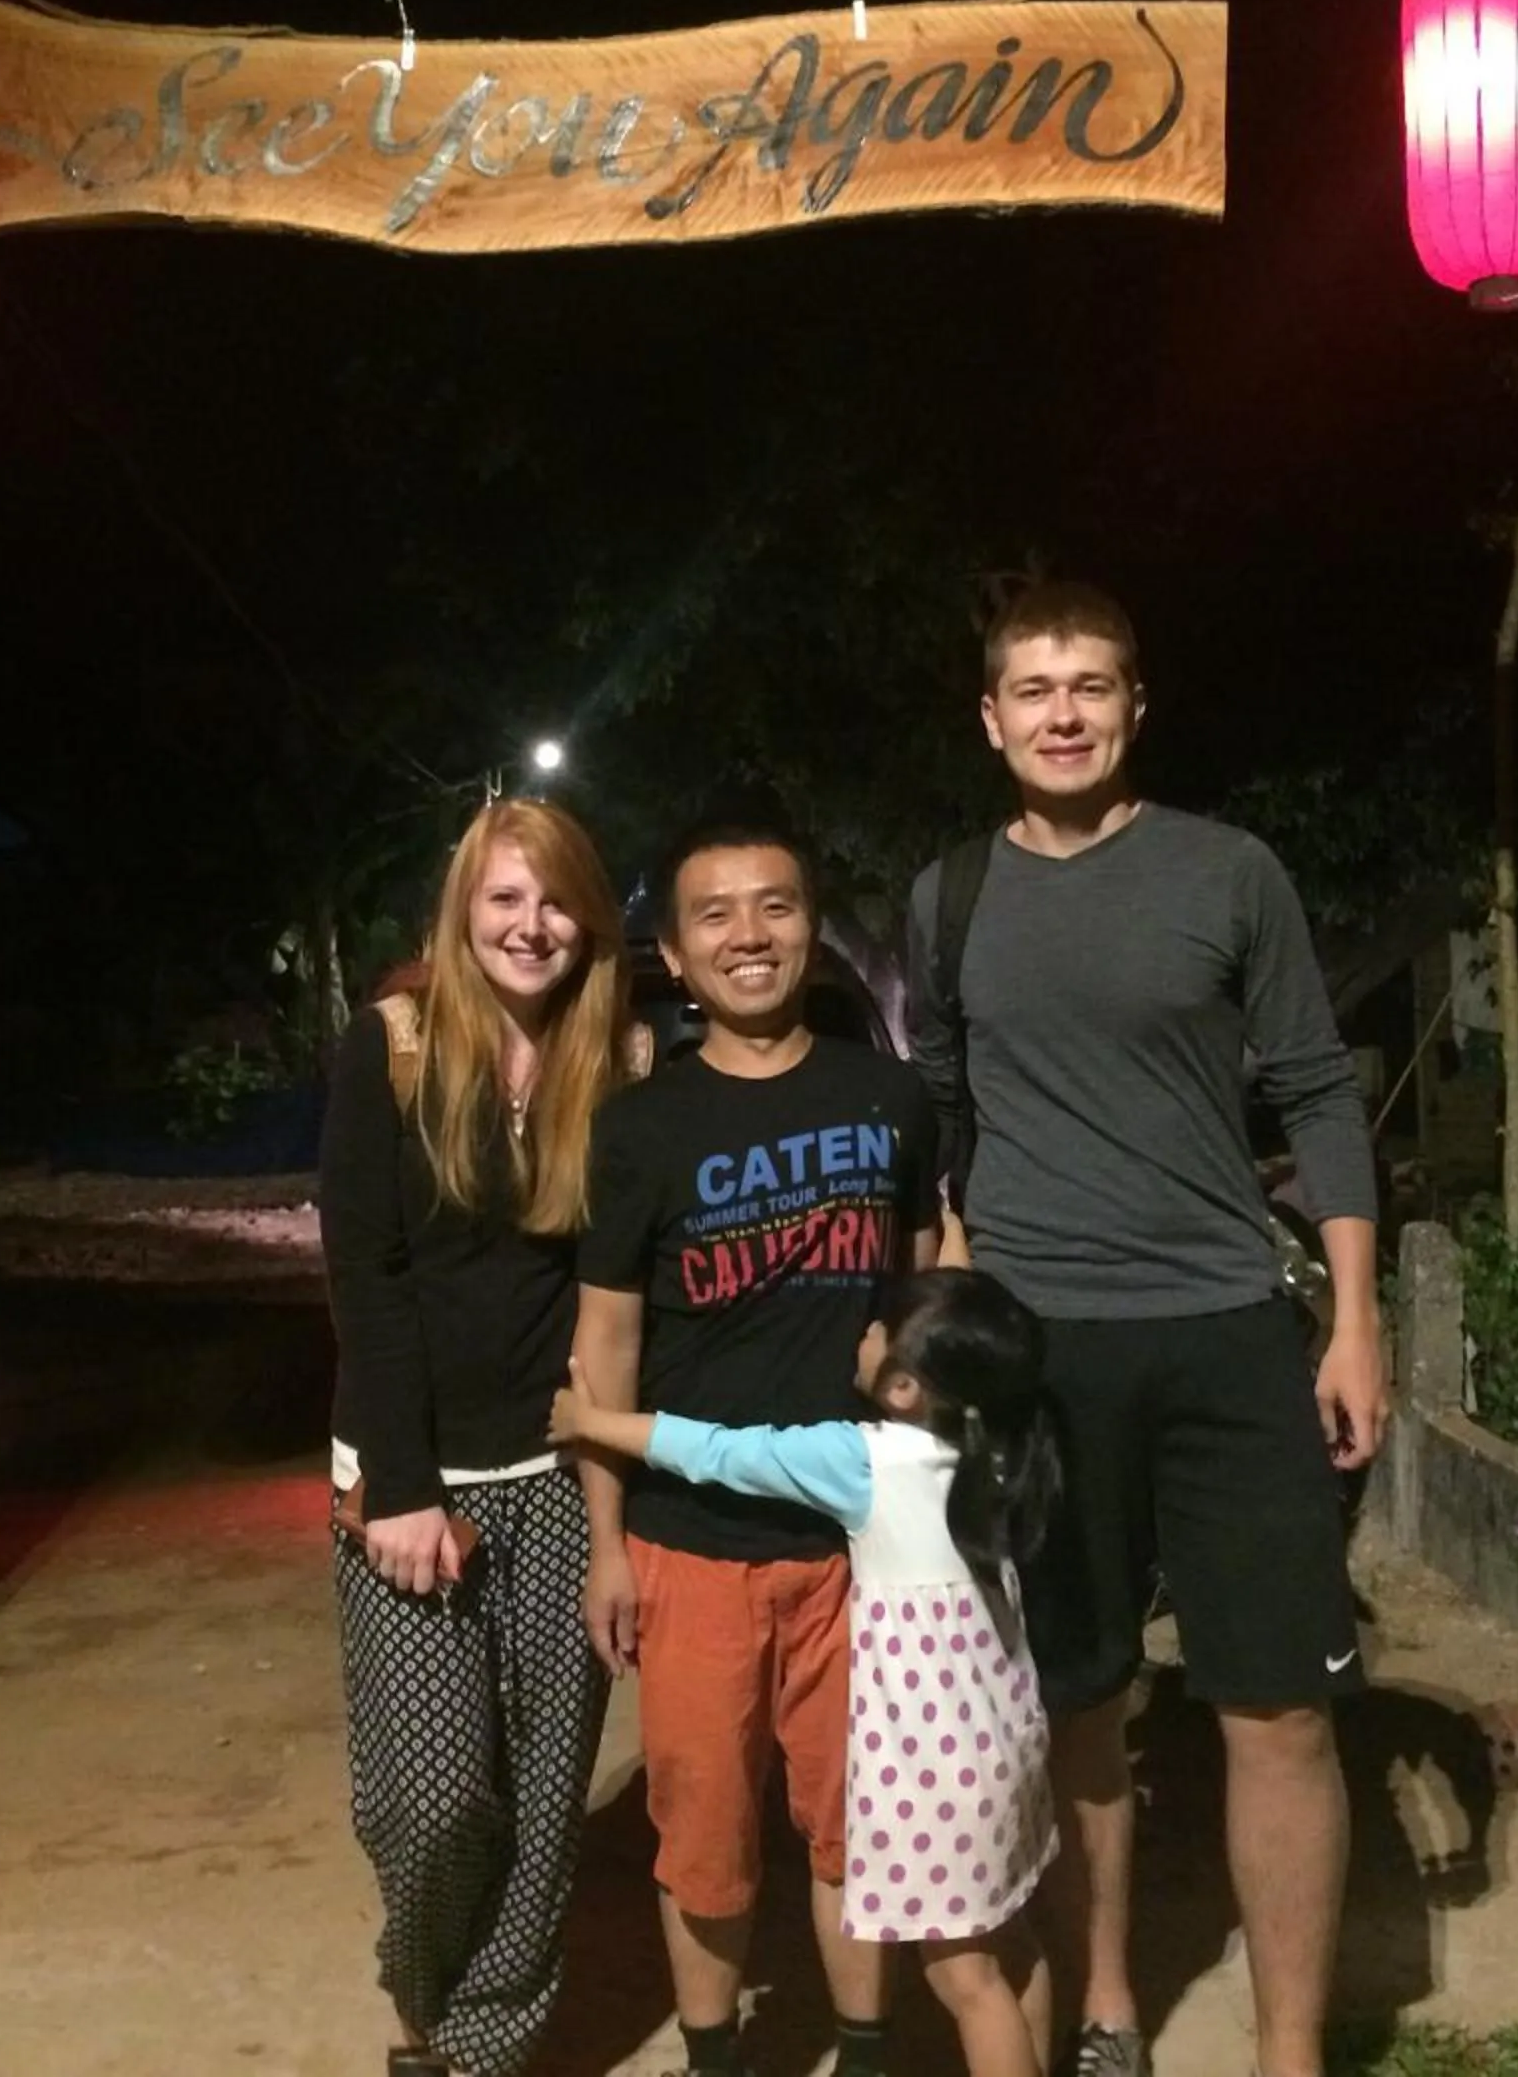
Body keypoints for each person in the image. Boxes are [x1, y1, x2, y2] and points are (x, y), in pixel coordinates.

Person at [907, 580, 1386, 2077]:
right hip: (1047, 1358)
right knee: (1079, 1695)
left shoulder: (1230, 874)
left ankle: (1289, 2045)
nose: (1063, 713)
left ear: (1134, 707)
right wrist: (949, 1302)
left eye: (1092, 687)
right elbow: (939, 1109)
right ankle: (1107, 1996)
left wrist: (1353, 1317)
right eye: (1034, 689)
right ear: (991, 719)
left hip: (1230, 1329)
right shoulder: (947, 899)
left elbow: (1314, 1088)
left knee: (1279, 1713)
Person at [571, 821, 943, 2077]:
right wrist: (606, 1545)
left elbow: (930, 1270)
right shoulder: (636, 1132)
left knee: (855, 1831)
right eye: (716, 915)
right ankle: (718, 2056)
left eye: (776, 907)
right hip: (691, 1548)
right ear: (675, 955)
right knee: (706, 1841)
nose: (750, 936)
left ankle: (867, 2048)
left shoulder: (888, 1098)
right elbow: (607, 1349)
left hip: (860, 1548)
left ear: (811, 924)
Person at [549, 1267, 1064, 2077]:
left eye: (875, 1328)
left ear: (901, 1385)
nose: (856, 1335)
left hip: (939, 1774)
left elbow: (721, 1453)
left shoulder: (869, 1463)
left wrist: (594, 1421)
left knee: (965, 1979)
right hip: (1005, 1746)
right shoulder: (999, 1449)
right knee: (1009, 1944)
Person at [320, 797, 636, 2077]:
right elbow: (366, 1276)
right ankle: (429, 1992)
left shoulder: (623, 1063)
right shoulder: (391, 1047)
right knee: (437, 1800)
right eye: (505, 898)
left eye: (555, 900)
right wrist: (397, 1482)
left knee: (549, 1801)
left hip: (562, 1473)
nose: (532, 924)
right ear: (463, 911)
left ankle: (472, 2050)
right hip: (410, 1479)